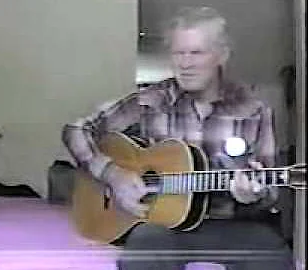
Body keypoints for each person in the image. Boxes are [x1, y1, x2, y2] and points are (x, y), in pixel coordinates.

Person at [62, 6, 293, 270]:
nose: (185, 63)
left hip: (232, 226)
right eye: (178, 53)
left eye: (196, 53)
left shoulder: (254, 111)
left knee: (273, 255)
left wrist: (252, 195)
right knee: (145, 247)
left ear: (222, 55)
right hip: (162, 227)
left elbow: (269, 190)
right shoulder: (149, 101)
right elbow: (76, 131)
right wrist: (113, 175)